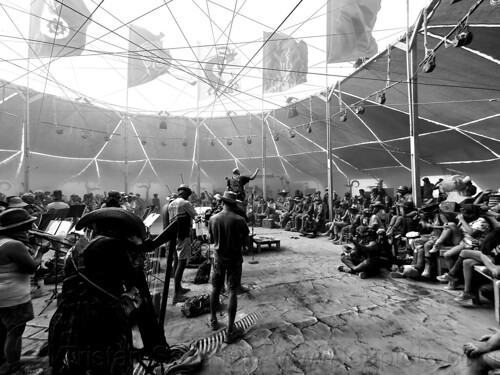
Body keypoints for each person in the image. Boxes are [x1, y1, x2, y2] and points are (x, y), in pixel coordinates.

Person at [49, 208, 156, 375]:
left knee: (84, 363)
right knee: (108, 362)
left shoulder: (79, 246)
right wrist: (137, 256)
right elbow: (131, 278)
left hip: (73, 314)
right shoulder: (111, 244)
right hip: (101, 314)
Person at [0, 208, 51, 375]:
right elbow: (31, 267)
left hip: (3, 295)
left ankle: (6, 363)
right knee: (16, 332)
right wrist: (41, 252)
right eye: (27, 227)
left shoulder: (3, 241)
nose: (29, 230)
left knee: (5, 331)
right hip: (13, 297)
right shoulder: (14, 245)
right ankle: (15, 367)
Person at [208, 191, 249, 343]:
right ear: (234, 204)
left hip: (218, 259)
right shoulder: (240, 220)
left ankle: (213, 320)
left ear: (223, 203)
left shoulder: (213, 219)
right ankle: (230, 330)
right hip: (234, 259)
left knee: (215, 289)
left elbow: (211, 240)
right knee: (232, 291)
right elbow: (246, 243)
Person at [167, 184, 198, 304]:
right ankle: (176, 295)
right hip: (183, 236)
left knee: (176, 261)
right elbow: (196, 216)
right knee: (182, 262)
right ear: (186, 194)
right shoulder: (185, 203)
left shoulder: (171, 204)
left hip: (174, 237)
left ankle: (178, 288)